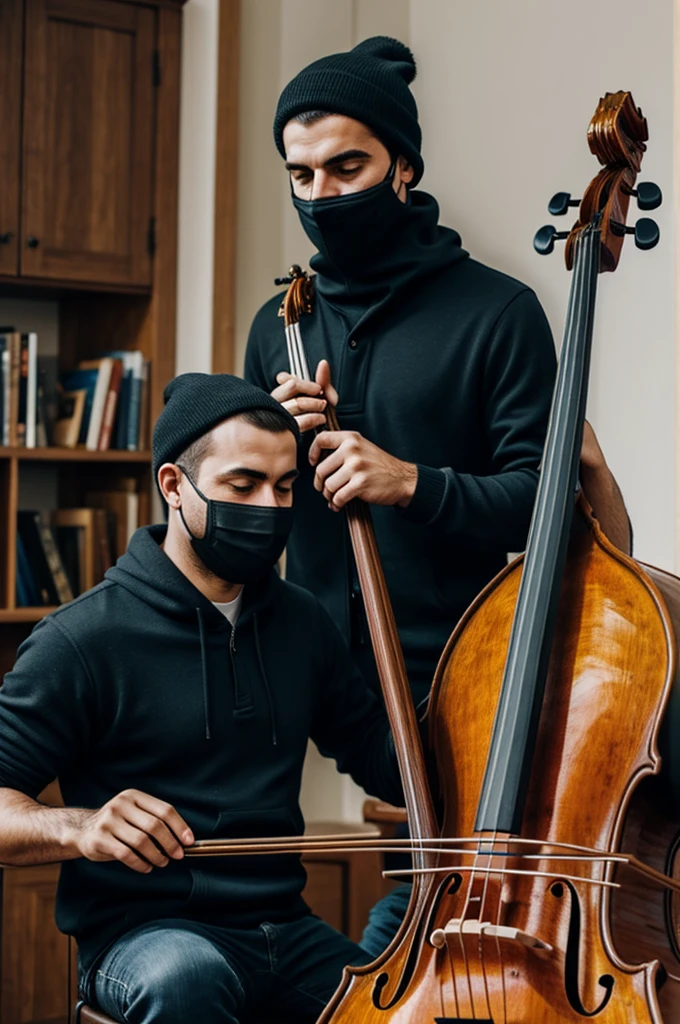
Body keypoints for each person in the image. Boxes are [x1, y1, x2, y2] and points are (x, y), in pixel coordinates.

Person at [244, 35, 633, 958]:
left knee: (438, 889)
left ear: (405, 165)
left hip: (456, 675)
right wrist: (269, 449)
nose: (321, 195)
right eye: (300, 175)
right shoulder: (280, 324)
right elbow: (251, 508)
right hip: (315, 671)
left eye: (348, 166)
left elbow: (542, 505)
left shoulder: (496, 313)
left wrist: (409, 482)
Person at [0, 374, 403, 1024]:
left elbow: (384, 759)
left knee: (393, 1007)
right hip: (145, 939)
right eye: (242, 486)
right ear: (173, 486)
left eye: (284, 487)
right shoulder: (80, 639)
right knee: (188, 979)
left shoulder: (303, 624)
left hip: (286, 930)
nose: (268, 508)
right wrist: (81, 826)